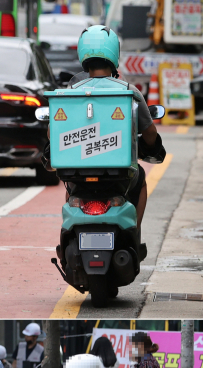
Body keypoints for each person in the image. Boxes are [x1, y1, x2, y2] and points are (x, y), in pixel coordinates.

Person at [70, 25, 164, 231]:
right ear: (114, 53)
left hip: (78, 171)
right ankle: (134, 232)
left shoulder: (71, 92)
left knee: (70, 188)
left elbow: (54, 132)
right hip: (119, 174)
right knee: (141, 180)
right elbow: (150, 134)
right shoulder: (130, 92)